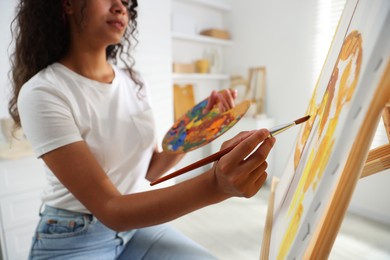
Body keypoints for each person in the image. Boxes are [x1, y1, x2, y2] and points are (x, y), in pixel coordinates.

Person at [8, 0, 276, 259]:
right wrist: (216, 185)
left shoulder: (132, 82)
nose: (120, 7)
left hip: (134, 229)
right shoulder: (44, 92)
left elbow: (151, 171)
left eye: (125, 1)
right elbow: (110, 210)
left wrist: (197, 129)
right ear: (67, 3)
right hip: (73, 238)